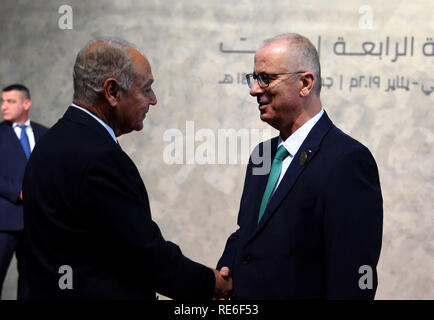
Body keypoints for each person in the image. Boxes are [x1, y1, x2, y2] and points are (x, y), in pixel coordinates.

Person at [21, 38, 232, 300]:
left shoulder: (52, 141)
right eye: (147, 89)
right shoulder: (99, 158)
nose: (153, 100)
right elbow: (144, 253)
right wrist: (210, 283)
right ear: (112, 91)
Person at [217, 33, 383, 299]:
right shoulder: (262, 155)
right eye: (254, 78)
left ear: (305, 83)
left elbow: (353, 271)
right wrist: (225, 267)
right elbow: (249, 233)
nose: (254, 89)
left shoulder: (348, 160)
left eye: (266, 78)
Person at [0, 84, 48, 299]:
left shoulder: (44, 133)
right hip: (4, 220)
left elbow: (51, 170)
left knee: (31, 282)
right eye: (2, 101)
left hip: (34, 222)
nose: (4, 107)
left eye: (10, 101)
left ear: (26, 104)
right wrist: (18, 192)